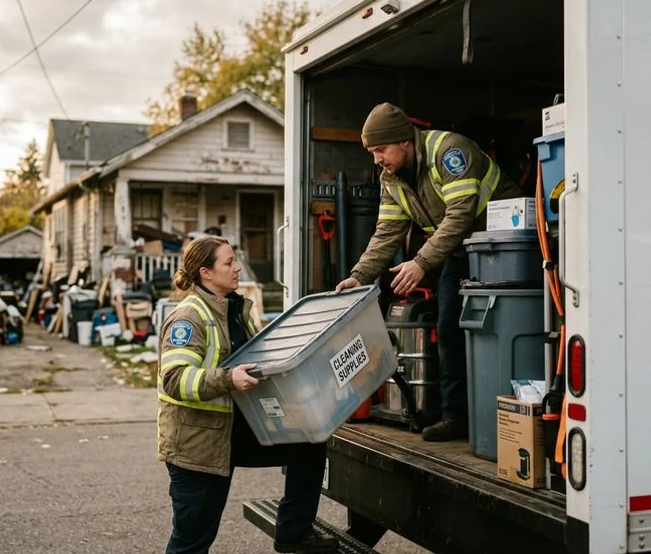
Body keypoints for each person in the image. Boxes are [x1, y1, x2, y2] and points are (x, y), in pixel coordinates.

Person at [335, 103, 524, 442]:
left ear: (404, 141)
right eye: (372, 151)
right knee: (449, 327)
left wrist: (421, 262)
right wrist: (360, 275)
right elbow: (387, 232)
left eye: (380, 149)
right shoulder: (390, 178)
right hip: (458, 249)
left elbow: (459, 217)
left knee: (501, 327)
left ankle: (513, 417)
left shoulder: (450, 151)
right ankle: (457, 417)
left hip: (503, 244)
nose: (376, 158)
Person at [158, 235, 339, 554]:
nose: (238, 268)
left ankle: (293, 533)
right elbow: (175, 379)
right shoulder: (189, 317)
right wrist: (229, 379)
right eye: (228, 263)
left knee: (309, 443)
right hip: (198, 443)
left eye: (235, 260)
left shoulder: (235, 311)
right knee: (192, 541)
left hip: (235, 431)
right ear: (206, 273)